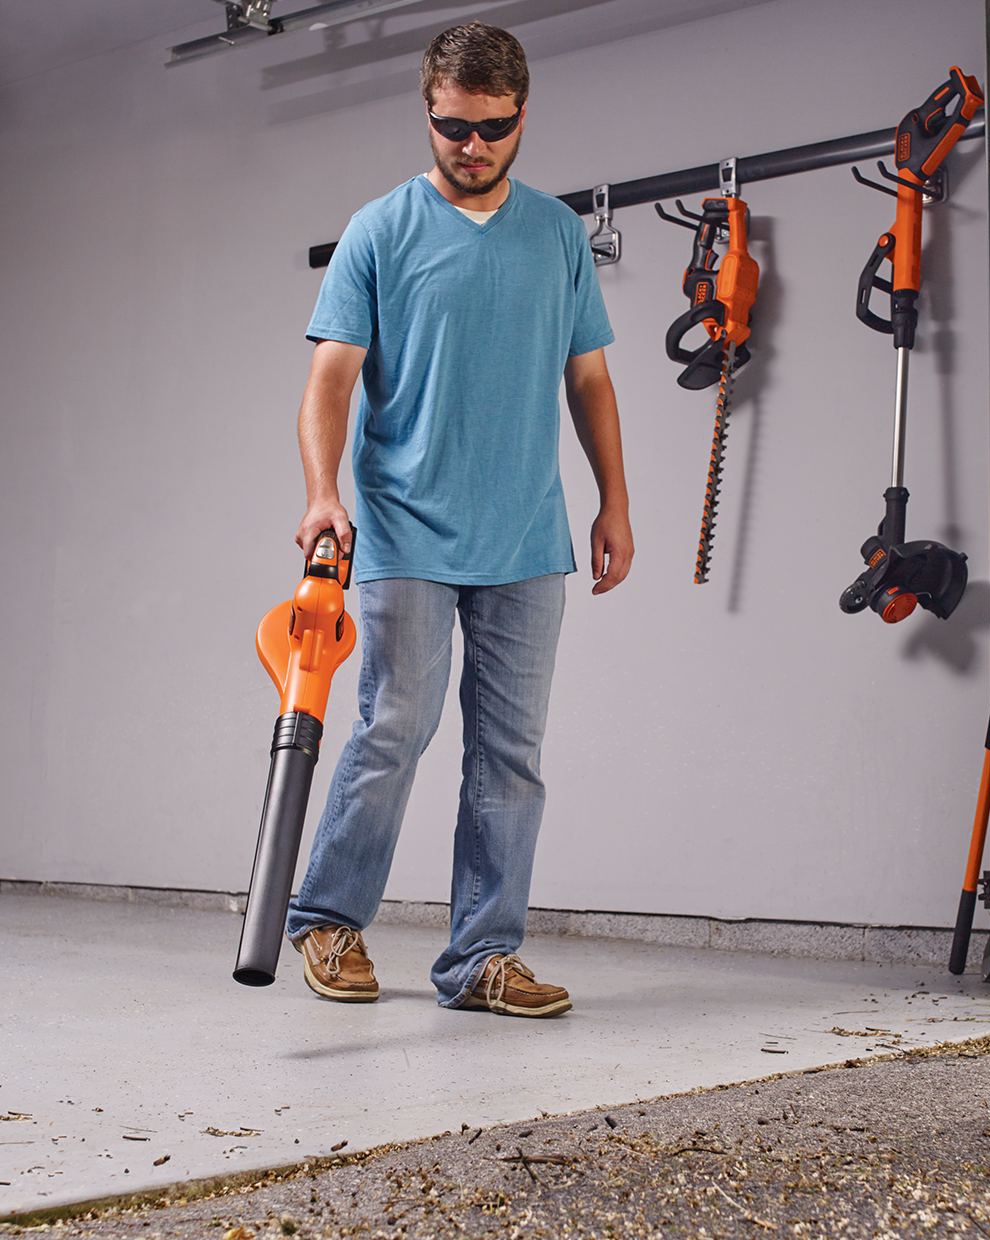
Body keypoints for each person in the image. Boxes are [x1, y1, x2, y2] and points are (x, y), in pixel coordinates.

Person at [283, 22, 633, 1017]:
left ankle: (480, 955)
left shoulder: (558, 236)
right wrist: (322, 492)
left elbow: (590, 380)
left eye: (491, 128)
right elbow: (329, 380)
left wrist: (614, 499)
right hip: (405, 530)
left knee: (511, 754)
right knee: (394, 724)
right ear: (426, 114)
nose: (470, 147)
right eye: (450, 127)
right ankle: (328, 918)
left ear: (521, 118)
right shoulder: (380, 232)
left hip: (526, 534)